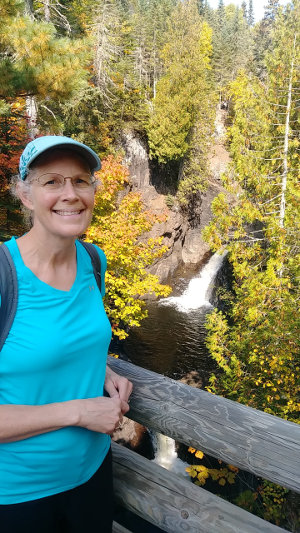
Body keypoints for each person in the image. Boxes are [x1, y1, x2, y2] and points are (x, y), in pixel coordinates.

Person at [0, 135, 133, 532]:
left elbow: (73, 339)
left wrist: (100, 370)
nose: (70, 194)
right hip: (17, 496)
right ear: (25, 195)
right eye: (52, 182)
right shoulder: (4, 275)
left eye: (80, 181)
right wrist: (79, 411)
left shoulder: (94, 260)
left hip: (91, 475)